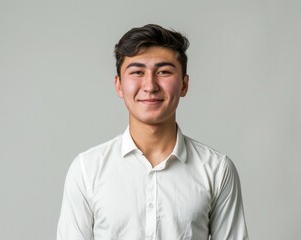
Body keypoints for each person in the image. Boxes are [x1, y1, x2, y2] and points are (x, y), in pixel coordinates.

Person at [57, 24, 249, 240]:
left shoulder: (217, 170)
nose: (150, 85)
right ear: (119, 85)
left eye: (164, 72)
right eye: (137, 72)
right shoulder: (86, 170)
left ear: (184, 85)